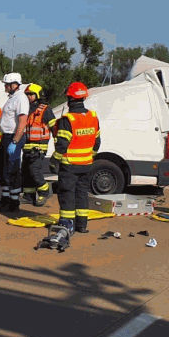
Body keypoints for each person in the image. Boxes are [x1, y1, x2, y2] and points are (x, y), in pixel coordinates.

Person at [46, 81, 100, 249]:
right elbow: (97, 143)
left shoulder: (67, 119)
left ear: (69, 99)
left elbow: (62, 144)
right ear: (83, 98)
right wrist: (89, 157)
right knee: (82, 193)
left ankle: (66, 224)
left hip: (69, 165)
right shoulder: (93, 117)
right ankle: (82, 225)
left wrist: (54, 160)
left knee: (67, 194)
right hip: (86, 164)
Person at [0, 72, 29, 213]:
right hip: (6, 137)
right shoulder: (12, 98)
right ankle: (5, 198)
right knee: (3, 169)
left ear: (14, 85)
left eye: (7, 84)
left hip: (13, 137)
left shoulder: (21, 98)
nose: (5, 87)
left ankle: (14, 201)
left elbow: (22, 122)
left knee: (13, 169)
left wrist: (15, 141)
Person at [22, 83, 54, 206]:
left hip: (39, 147)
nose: (29, 97)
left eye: (31, 94)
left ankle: (44, 191)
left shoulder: (45, 110)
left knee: (34, 170)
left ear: (38, 95)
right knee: (26, 171)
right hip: (27, 147)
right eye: (27, 94)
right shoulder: (26, 109)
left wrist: (59, 144)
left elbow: (54, 128)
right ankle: (28, 196)